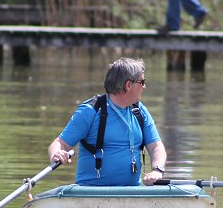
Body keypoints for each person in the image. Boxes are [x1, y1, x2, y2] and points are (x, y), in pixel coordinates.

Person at [48, 57, 167, 186]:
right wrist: (56, 153)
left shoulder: (140, 111)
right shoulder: (90, 111)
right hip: (91, 193)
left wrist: (157, 170)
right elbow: (60, 143)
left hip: (132, 193)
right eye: (142, 82)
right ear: (128, 85)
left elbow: (156, 147)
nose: (144, 86)